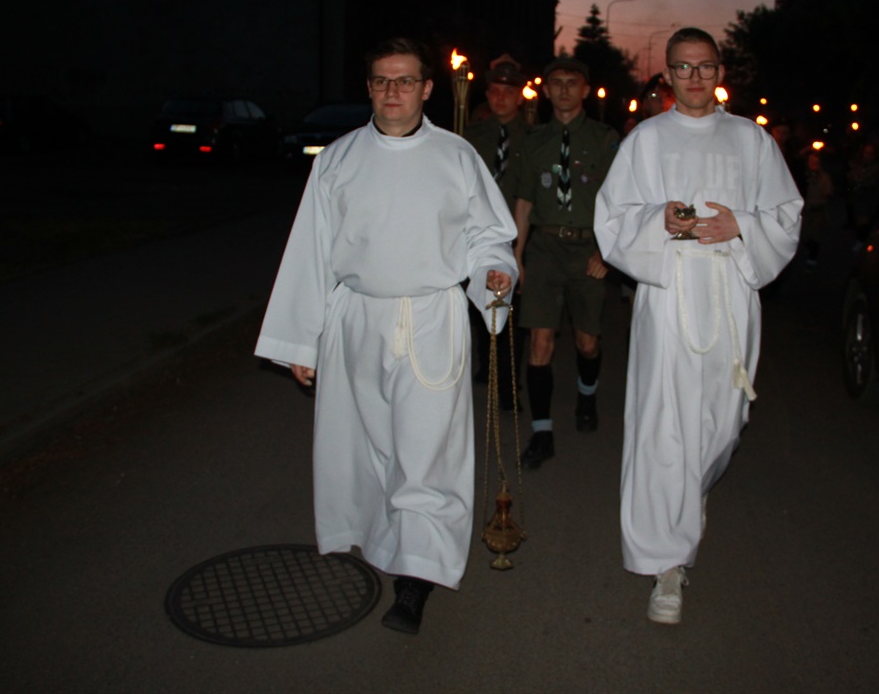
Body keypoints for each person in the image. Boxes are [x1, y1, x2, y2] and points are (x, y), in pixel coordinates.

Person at [253, 37, 517, 635]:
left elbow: (488, 235)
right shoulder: (338, 159)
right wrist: (301, 340)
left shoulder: (456, 157)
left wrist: (495, 272)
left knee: (426, 452)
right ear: (369, 87)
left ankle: (416, 578)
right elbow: (311, 251)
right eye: (381, 81)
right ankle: (382, 538)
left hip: (431, 319)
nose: (392, 91)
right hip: (356, 319)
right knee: (370, 445)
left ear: (427, 89)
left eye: (405, 81)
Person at [594, 27, 801, 624]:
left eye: (704, 66)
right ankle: (668, 565)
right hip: (669, 295)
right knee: (666, 424)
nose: (694, 78)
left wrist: (742, 226)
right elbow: (612, 218)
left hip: (731, 291)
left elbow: (786, 213)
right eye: (682, 68)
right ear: (667, 76)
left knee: (722, 424)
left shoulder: (751, 140)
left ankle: (692, 491)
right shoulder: (646, 140)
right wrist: (658, 220)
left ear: (719, 71)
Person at [513, 57, 619, 469]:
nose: (563, 89)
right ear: (545, 90)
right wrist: (517, 255)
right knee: (540, 341)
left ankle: (586, 396)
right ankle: (542, 433)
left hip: (588, 247)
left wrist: (606, 252)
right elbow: (524, 201)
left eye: (572, 82)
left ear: (585, 90)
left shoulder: (604, 139)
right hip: (545, 249)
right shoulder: (534, 141)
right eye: (555, 82)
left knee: (586, 341)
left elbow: (619, 201)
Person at [463, 54, 531, 405]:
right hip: (478, 233)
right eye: (494, 91)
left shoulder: (533, 138)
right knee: (479, 301)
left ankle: (507, 384)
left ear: (520, 97)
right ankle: (484, 365)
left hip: (520, 234)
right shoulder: (470, 137)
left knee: (513, 311)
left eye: (509, 92)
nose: (500, 98)